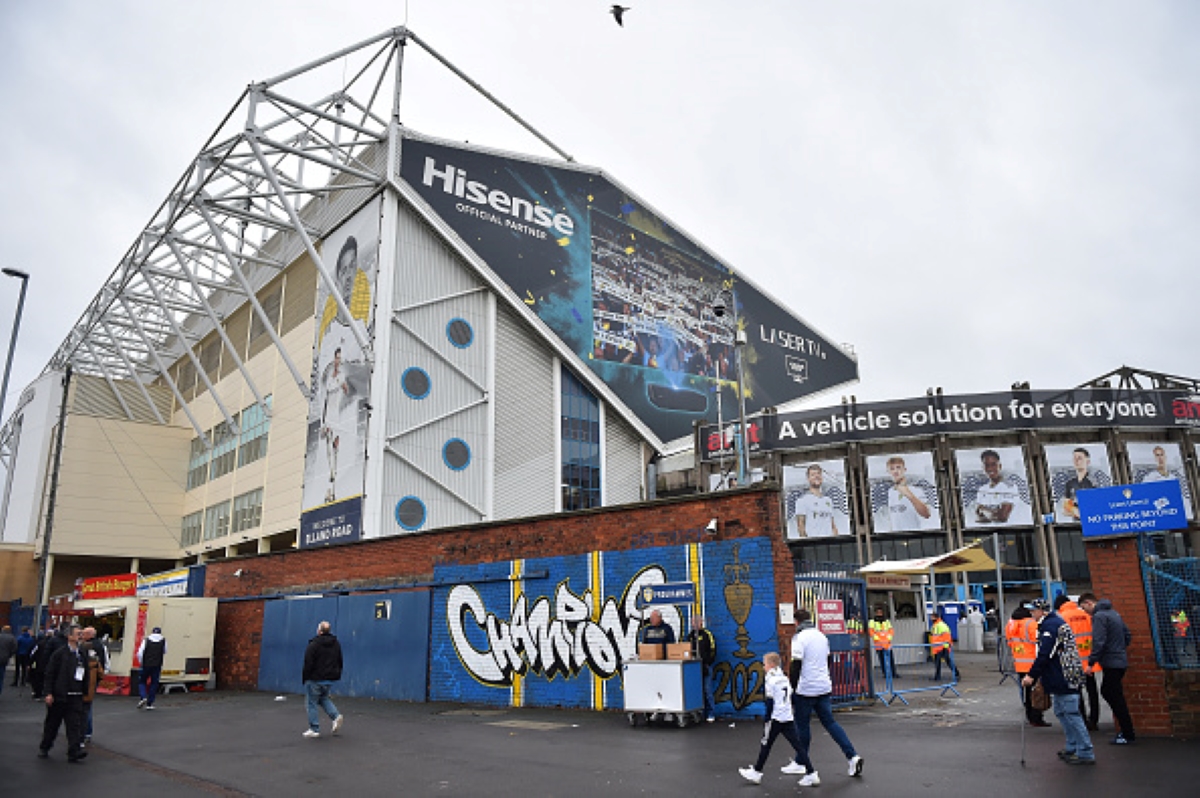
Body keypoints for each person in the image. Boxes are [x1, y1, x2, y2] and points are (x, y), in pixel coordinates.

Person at [787, 608, 864, 780]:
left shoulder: (799, 638)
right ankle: (852, 756)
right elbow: (828, 660)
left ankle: (801, 762)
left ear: (796, 622)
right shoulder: (821, 636)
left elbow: (796, 665)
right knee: (830, 723)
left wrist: (793, 687)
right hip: (823, 686)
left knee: (802, 725)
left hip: (806, 688)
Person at [1024, 598, 1094, 765]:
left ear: (1043, 611)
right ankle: (1073, 746)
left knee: (1070, 714)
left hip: (1063, 675)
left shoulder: (1050, 626)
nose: (1031, 613)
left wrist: (1031, 675)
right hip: (1062, 674)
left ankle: (1084, 750)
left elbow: (1045, 653)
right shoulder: (1053, 623)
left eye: (1034, 610)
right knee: (1062, 712)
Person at [737, 652, 817, 786]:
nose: (763, 667)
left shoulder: (770, 679)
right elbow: (791, 695)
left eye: (765, 664)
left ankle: (756, 772)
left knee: (766, 744)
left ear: (771, 665)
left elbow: (770, 701)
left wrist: (767, 718)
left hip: (776, 717)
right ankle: (811, 773)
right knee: (797, 745)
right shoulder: (784, 677)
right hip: (787, 716)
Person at [1079, 592, 1135, 745]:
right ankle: (1126, 730)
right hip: (1119, 660)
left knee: (1112, 694)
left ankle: (1127, 732)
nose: (1085, 612)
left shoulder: (1099, 617)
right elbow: (1127, 634)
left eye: (1084, 608)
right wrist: (1119, 649)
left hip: (1111, 662)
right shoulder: (1114, 613)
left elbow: (1099, 641)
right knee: (1112, 693)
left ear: (1089, 603)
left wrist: (1090, 663)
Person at [39, 623, 88, 763]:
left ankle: (74, 751)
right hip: (59, 696)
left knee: (74, 725)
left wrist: (85, 691)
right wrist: (48, 693)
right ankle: (45, 746)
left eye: (81, 634)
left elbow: (86, 674)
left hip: (76, 696)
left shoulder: (82, 653)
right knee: (52, 724)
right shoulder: (60, 653)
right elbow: (50, 673)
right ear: (69, 636)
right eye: (78, 633)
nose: (80, 636)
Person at [1055, 595, 1099, 731]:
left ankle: (1082, 720)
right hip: (1089, 660)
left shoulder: (1061, 617)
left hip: (1073, 662)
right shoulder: (1086, 614)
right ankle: (1094, 719)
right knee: (1092, 690)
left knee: (1076, 692)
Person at [1006, 606, 1048, 726]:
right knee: (1036, 692)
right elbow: (1038, 642)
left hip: (1019, 662)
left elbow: (1009, 642)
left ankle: (1030, 715)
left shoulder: (1011, 624)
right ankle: (1036, 717)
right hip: (1032, 663)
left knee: (1026, 692)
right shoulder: (1031, 624)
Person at [302, 620, 344, 738]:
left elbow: (308, 662)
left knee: (311, 703)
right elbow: (339, 660)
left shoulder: (314, 644)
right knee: (323, 698)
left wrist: (306, 677)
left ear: (319, 630)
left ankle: (314, 729)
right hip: (329, 678)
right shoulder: (336, 644)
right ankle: (335, 716)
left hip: (315, 678)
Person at [792, 465, 840, 539]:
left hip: (830, 543)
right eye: (813, 475)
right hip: (814, 544)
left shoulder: (828, 500)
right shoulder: (802, 500)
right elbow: (801, 526)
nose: (816, 476)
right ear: (808, 479)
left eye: (818, 473)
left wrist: (837, 538)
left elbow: (832, 525)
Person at [885, 456, 931, 531]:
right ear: (888, 472)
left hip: (914, 534)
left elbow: (926, 514)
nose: (895, 471)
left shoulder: (915, 490)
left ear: (904, 470)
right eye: (892, 468)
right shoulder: (890, 492)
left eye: (898, 467)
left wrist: (909, 494)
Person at [80, 627, 109, 744]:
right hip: (95, 677)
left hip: (86, 678)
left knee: (84, 705)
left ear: (89, 635)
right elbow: (106, 661)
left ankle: (83, 732)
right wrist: (102, 674)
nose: (81, 635)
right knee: (88, 704)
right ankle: (87, 732)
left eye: (83, 633)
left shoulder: (84, 646)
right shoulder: (102, 646)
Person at [686, 616, 717, 721]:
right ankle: (699, 713)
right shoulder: (690, 636)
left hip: (705, 666)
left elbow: (713, 649)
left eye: (696, 622)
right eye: (692, 622)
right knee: (696, 690)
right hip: (693, 667)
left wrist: (708, 662)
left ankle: (711, 713)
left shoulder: (707, 634)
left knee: (707, 690)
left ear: (701, 623)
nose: (694, 624)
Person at [974, 450, 1017, 524]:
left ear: (999, 466)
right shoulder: (982, 489)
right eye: (987, 465)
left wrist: (983, 510)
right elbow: (978, 517)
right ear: (983, 468)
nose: (990, 469)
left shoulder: (1009, 486)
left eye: (993, 464)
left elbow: (1002, 516)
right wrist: (993, 512)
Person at [1060, 447, 1095, 521]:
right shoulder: (1070, 483)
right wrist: (1074, 510)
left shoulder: (1093, 482)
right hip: (1075, 523)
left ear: (1087, 461)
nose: (1076, 461)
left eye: (1079, 458)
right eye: (1074, 458)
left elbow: (1096, 506)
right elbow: (1065, 509)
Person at [137, 627, 167, 709]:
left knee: (142, 681)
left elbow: (140, 652)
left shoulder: (146, 640)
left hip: (146, 664)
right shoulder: (163, 641)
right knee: (154, 683)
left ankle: (143, 697)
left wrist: (141, 662)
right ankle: (150, 703)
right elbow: (165, 651)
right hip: (157, 665)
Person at [868, 607, 896, 683]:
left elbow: (891, 630)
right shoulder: (872, 622)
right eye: (878, 612)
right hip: (879, 644)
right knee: (882, 659)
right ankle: (885, 673)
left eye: (881, 612)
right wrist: (876, 638)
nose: (879, 614)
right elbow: (871, 631)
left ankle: (893, 673)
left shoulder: (886, 621)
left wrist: (889, 637)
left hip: (887, 643)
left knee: (891, 659)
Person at [929, 612, 959, 681]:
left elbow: (946, 637)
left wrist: (946, 646)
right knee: (938, 662)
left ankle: (956, 673)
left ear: (936, 617)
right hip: (937, 647)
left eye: (932, 617)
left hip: (942, 647)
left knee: (947, 661)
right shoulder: (935, 626)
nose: (931, 619)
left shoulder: (941, 625)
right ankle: (937, 676)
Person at [0, 624, 16, 694]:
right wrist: (9, 655)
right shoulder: (12, 638)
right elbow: (14, 649)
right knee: (1, 676)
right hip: (4, 658)